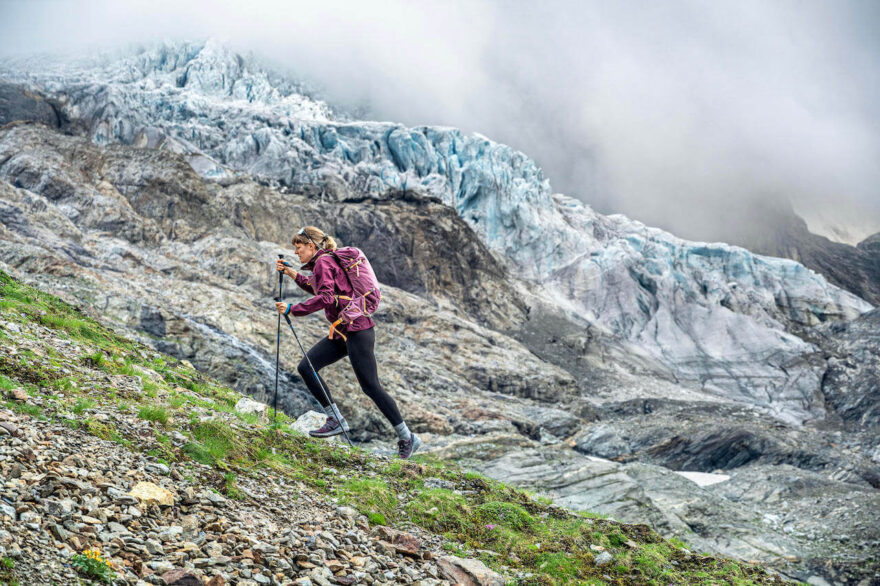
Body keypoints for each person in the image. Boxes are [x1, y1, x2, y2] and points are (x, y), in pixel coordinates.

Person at [274, 226, 422, 459]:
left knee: (370, 386)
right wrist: (293, 274)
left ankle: (407, 437)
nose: (295, 252)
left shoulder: (323, 263)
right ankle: (336, 419)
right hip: (345, 331)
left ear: (311, 246)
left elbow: (324, 297)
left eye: (299, 247)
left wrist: (294, 309)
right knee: (307, 367)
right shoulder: (326, 262)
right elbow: (319, 287)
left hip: (357, 331)